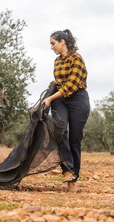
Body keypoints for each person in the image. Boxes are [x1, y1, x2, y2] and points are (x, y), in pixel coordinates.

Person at [42, 29, 90, 192]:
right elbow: (59, 83)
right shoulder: (57, 61)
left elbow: (70, 86)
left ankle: (72, 179)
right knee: (60, 130)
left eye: (53, 43)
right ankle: (68, 170)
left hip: (78, 99)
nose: (51, 47)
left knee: (75, 139)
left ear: (63, 42)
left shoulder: (77, 58)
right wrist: (48, 95)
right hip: (60, 100)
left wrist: (50, 98)